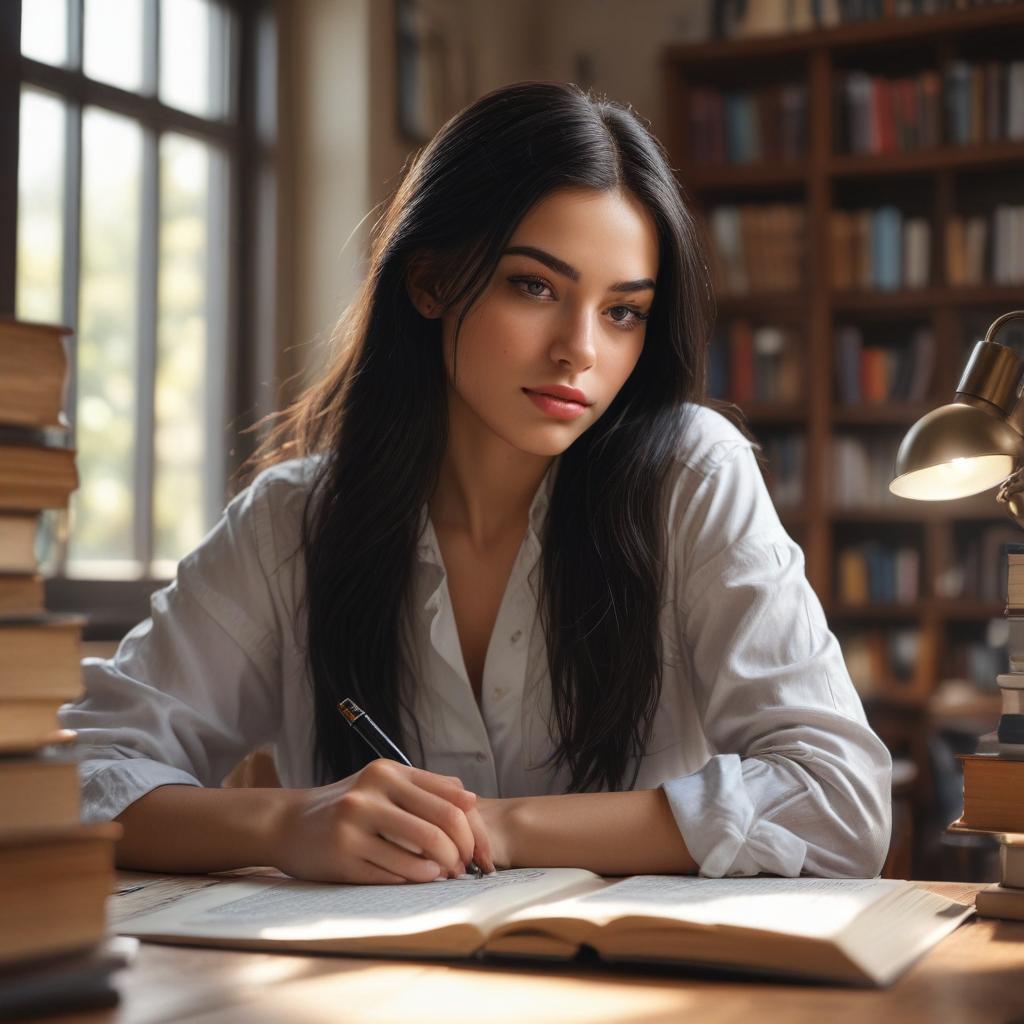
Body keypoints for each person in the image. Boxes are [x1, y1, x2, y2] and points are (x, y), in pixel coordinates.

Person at [59, 81, 892, 886]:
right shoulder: (293, 521)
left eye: (623, 310)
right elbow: (78, 772)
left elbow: (841, 800)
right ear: (428, 283)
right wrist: (287, 822)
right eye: (533, 286)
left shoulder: (690, 477)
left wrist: (497, 828)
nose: (580, 350)